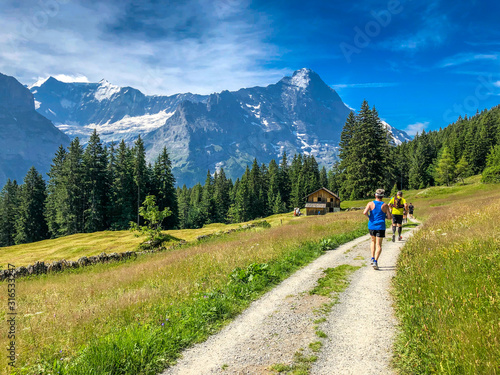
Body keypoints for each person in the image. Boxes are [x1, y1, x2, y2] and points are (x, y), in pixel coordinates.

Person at [363, 188, 391, 270]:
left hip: (371, 225)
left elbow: (364, 212)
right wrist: (384, 216)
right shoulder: (385, 205)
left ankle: (372, 258)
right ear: (382, 196)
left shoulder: (370, 203)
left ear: (375, 195)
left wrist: (369, 218)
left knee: (373, 241)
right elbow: (389, 217)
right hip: (380, 226)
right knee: (379, 245)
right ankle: (375, 261)